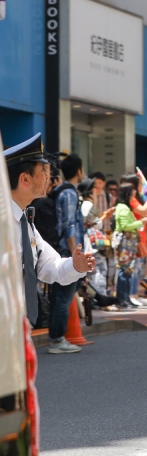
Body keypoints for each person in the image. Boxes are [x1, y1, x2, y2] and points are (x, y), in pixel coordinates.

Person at [5, 135, 94, 351]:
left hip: (17, 333)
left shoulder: (25, 222)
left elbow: (50, 267)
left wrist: (74, 266)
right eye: (43, 171)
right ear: (25, 179)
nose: (49, 177)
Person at [51, 153, 87, 351]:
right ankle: (57, 340)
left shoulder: (62, 191)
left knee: (60, 296)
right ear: (79, 171)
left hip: (61, 250)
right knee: (63, 298)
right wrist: (76, 257)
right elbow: (69, 226)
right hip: (67, 252)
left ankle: (57, 338)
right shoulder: (70, 194)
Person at [113, 184, 147, 309]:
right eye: (132, 193)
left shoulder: (122, 207)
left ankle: (125, 298)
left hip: (128, 242)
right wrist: (141, 222)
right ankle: (122, 299)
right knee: (125, 270)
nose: (134, 195)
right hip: (126, 242)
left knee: (126, 270)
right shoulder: (124, 208)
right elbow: (125, 226)